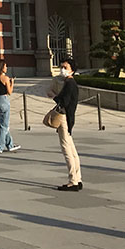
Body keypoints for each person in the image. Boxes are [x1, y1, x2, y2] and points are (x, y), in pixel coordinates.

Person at [50, 57, 83, 191]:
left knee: (67, 150)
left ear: (72, 70)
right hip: (69, 118)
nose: (62, 70)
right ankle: (78, 178)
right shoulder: (71, 83)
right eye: (61, 67)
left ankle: (73, 181)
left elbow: (64, 101)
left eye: (65, 67)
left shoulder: (69, 84)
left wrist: (53, 96)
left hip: (64, 117)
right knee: (72, 150)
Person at [0, 58, 21, 153]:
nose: (6, 68)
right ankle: (0, 146)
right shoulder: (5, 78)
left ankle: (10, 144)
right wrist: (12, 83)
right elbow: (9, 92)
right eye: (5, 66)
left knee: (3, 124)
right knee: (4, 126)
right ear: (1, 67)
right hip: (3, 100)